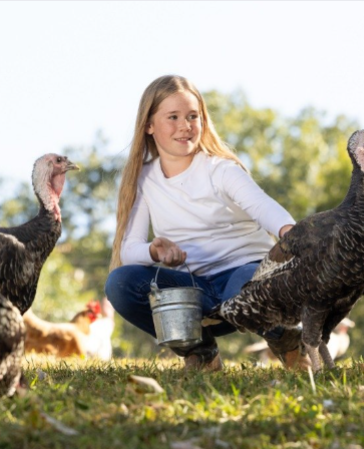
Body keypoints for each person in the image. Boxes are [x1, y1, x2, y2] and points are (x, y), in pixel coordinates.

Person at [104, 75, 297, 371]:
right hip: (193, 293)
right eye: (173, 117)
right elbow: (129, 250)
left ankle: (287, 342)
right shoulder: (143, 180)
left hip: (244, 277)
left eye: (193, 116)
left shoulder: (219, 169)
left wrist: (292, 234)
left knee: (244, 286)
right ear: (149, 125)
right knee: (120, 283)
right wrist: (155, 252)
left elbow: (264, 207)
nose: (185, 126)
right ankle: (201, 350)